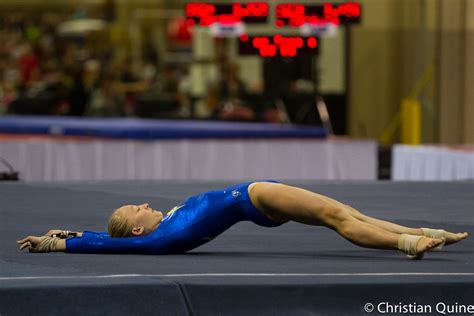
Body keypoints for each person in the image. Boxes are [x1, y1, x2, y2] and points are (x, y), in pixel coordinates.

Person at [17, 181, 468, 259]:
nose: (143, 203)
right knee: (337, 215)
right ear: (137, 228)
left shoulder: (159, 230)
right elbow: (110, 244)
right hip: (253, 196)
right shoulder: (154, 241)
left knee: (347, 213)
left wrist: (67, 232)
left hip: (256, 204)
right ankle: (407, 245)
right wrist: (59, 246)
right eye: (137, 209)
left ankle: (423, 235)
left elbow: (102, 238)